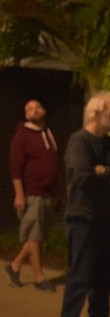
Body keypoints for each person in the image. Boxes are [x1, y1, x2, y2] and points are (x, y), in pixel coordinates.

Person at [59, 93, 110, 317]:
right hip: (83, 219)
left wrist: (103, 170)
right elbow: (82, 175)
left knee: (104, 278)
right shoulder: (80, 141)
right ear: (96, 113)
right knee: (80, 276)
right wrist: (103, 173)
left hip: (107, 220)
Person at [6, 99, 59, 292]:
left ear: (43, 110)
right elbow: (16, 169)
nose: (34, 111)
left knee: (39, 235)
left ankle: (14, 266)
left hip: (48, 193)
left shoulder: (48, 133)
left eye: (37, 107)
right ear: (25, 115)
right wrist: (19, 195)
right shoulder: (21, 136)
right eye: (29, 109)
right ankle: (39, 277)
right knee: (35, 236)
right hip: (32, 193)